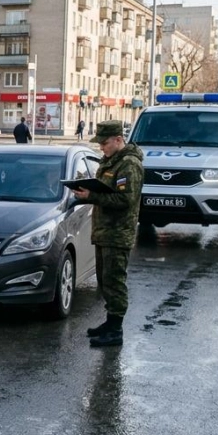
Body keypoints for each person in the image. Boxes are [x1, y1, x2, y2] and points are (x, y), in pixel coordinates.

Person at [72, 120, 143, 347]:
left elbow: (125, 199)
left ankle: (115, 330)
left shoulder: (129, 165)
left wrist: (91, 196)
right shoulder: (111, 161)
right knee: (105, 281)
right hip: (104, 231)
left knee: (115, 282)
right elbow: (107, 189)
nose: (101, 148)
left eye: (104, 143)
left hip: (117, 233)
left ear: (118, 140)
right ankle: (110, 323)